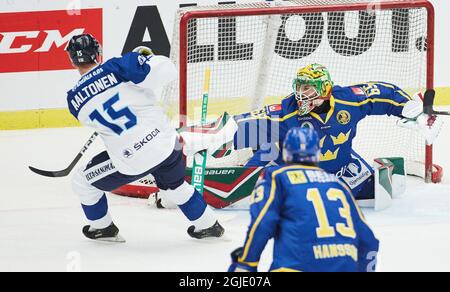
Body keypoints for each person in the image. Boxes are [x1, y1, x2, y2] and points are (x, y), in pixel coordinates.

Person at [66, 34, 224, 242]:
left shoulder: (73, 100)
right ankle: (209, 226)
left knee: (82, 181)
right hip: (167, 145)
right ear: (98, 53)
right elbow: (167, 71)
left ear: (72, 60)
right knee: (174, 186)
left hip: (131, 158)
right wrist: (145, 57)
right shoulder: (120, 65)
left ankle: (103, 228)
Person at [229, 64, 442, 200]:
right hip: (294, 171)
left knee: (388, 191)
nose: (301, 94)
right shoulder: (285, 113)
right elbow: (241, 126)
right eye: (299, 87)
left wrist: (408, 108)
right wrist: (213, 137)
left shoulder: (347, 101)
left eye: (308, 88)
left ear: (324, 89)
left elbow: (383, 93)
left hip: (342, 167)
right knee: (250, 188)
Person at [228, 127, 380, 272]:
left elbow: (263, 222)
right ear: (317, 152)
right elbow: (369, 241)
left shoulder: (275, 176)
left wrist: (246, 263)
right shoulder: (338, 184)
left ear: (286, 151)